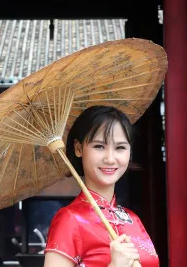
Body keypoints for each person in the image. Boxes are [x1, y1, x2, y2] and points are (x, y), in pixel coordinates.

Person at [43, 105, 159, 267]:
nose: (110, 159)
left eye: (120, 147)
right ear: (78, 148)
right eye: (99, 146)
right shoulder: (70, 219)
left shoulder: (132, 219)